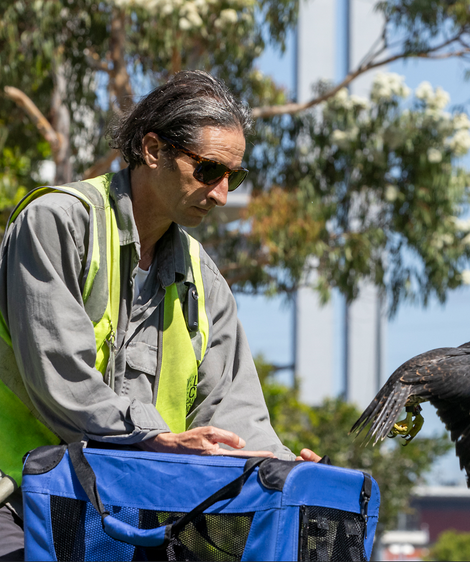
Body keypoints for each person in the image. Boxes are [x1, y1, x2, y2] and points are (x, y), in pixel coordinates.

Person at [0, 70, 320, 560]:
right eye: (209, 170)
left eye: (235, 175)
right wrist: (157, 438)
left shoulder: (203, 277)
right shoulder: (57, 224)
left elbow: (233, 409)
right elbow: (61, 380)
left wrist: (282, 466)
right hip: (19, 504)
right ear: (152, 150)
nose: (222, 194)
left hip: (127, 517)